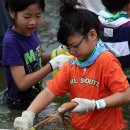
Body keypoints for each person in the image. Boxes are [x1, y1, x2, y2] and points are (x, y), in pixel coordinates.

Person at [14, 1, 130, 130]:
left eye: (75, 46)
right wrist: (29, 114)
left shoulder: (106, 61)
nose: (72, 51)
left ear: (92, 35)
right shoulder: (71, 64)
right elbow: (49, 92)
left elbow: (126, 95)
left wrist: (96, 104)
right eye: (68, 48)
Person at [2, 0, 71, 109]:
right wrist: (52, 65)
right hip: (20, 103)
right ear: (12, 13)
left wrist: (55, 54)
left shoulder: (30, 31)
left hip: (35, 96)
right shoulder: (11, 43)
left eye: (38, 16)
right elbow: (22, 83)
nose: (33, 22)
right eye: (27, 17)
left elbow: (36, 58)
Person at [98, 0, 130, 83]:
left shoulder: (98, 20)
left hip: (109, 72)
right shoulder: (127, 26)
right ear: (128, 5)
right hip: (127, 73)